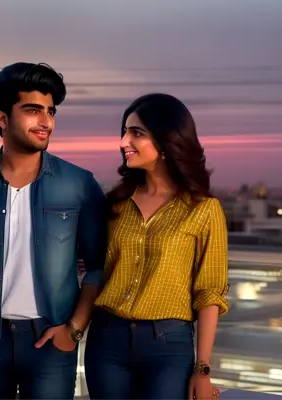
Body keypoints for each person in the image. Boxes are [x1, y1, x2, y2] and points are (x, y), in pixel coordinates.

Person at [0, 62, 106, 399]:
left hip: (53, 344)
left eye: (51, 111)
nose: (46, 122)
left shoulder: (79, 184)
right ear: (2, 118)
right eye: (32, 110)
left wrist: (75, 330)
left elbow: (98, 267)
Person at [84, 93, 229, 400]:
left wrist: (202, 370)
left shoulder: (203, 209)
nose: (124, 141)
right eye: (124, 132)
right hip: (107, 340)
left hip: (168, 347)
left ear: (166, 141)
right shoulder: (116, 204)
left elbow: (210, 292)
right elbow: (98, 267)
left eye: (136, 133)